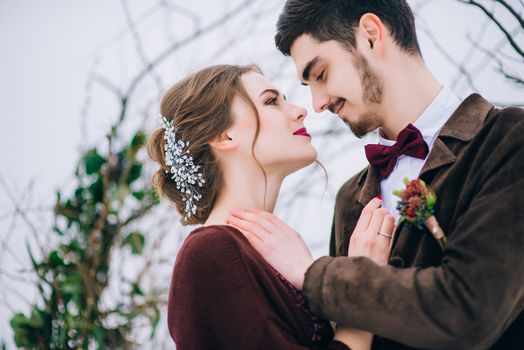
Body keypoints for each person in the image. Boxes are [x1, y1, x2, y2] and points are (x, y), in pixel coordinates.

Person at [228, 1, 524, 349]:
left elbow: (469, 311)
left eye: (320, 75)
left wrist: (312, 275)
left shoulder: (507, 140)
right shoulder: (349, 199)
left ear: (370, 35)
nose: (317, 103)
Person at [147, 64, 396, 349]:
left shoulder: (269, 251)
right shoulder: (208, 253)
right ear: (223, 137)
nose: (300, 110)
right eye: (271, 101)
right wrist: (360, 295)